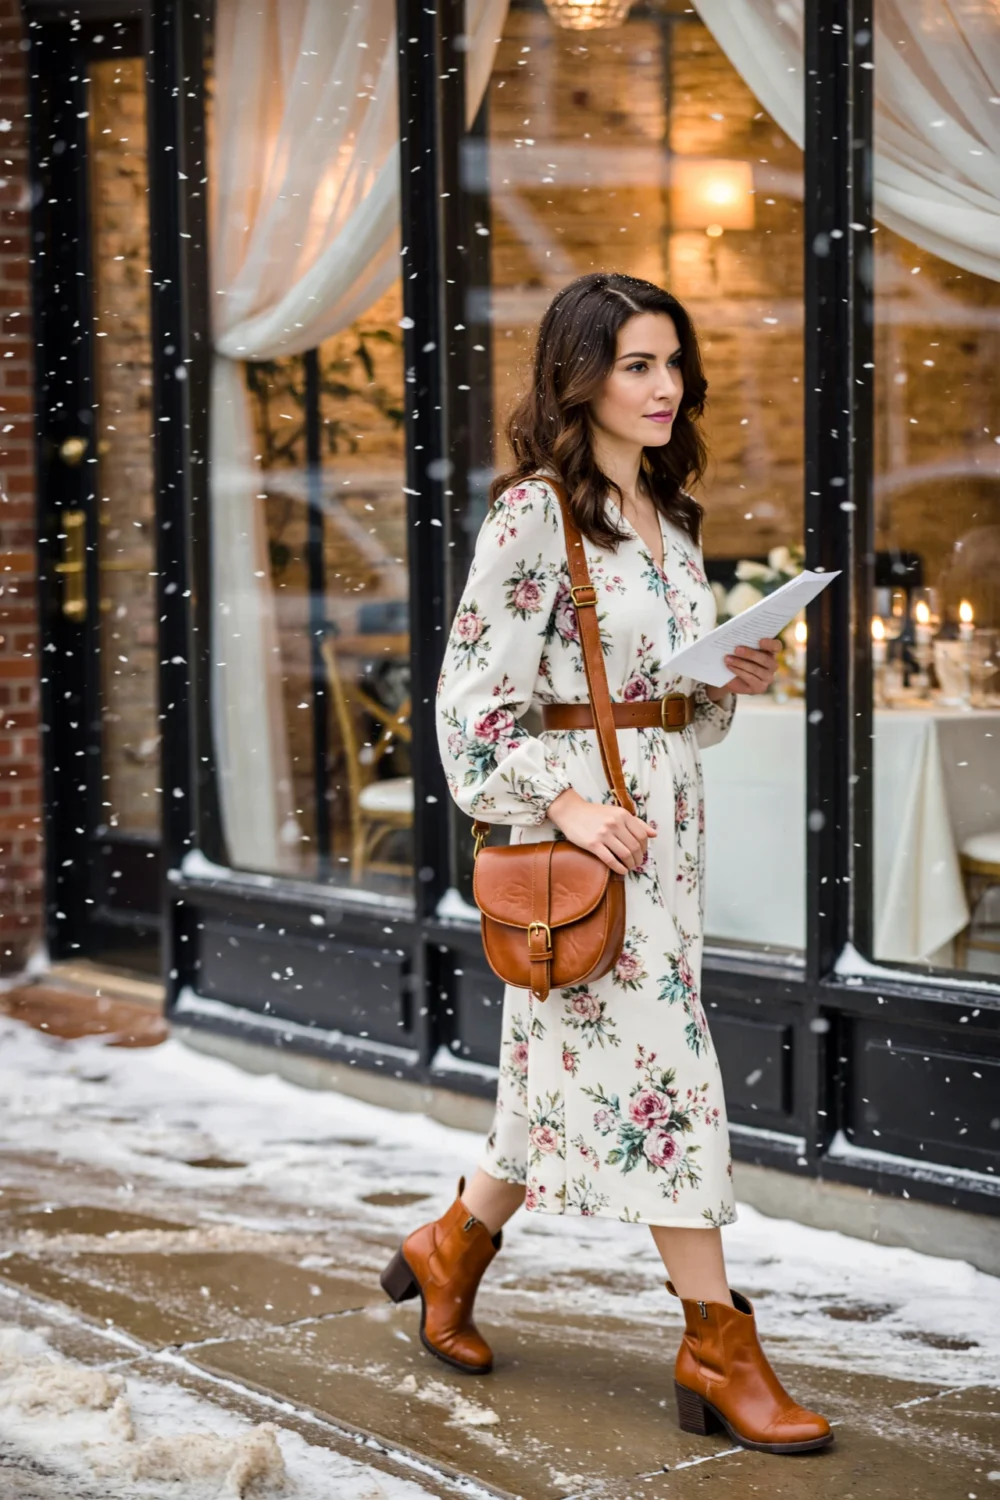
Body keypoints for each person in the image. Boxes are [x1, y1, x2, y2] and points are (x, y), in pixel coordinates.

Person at [381, 272, 832, 1456]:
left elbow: (663, 712)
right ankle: (715, 1342)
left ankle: (448, 1250)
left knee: (544, 1091)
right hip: (585, 849)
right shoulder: (535, 515)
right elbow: (472, 709)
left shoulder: (670, 519)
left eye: (672, 362)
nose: (664, 385)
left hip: (665, 839)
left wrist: (718, 682)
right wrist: (572, 806)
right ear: (578, 377)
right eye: (636, 364)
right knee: (669, 1089)